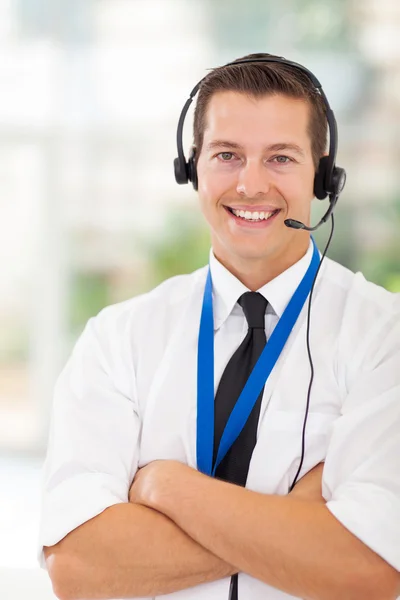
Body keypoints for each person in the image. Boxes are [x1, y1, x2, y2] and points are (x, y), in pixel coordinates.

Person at [39, 53, 400, 600]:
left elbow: (369, 571)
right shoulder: (117, 340)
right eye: (227, 155)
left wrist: (168, 486)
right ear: (192, 167)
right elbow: (79, 568)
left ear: (323, 175)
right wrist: (297, 525)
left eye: (280, 158)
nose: (251, 185)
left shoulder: (384, 338)